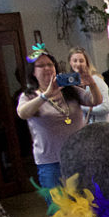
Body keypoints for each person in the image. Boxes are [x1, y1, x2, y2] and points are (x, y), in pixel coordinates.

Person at [17, 45, 101, 190]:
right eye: (41, 65)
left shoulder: (69, 90)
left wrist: (91, 83)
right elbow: (22, 113)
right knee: (60, 209)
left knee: (88, 205)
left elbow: (95, 101)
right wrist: (45, 95)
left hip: (79, 157)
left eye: (50, 64)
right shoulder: (29, 96)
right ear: (33, 72)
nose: (47, 68)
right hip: (51, 163)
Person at [66, 47, 109, 124]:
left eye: (81, 61)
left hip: (103, 127)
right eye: (75, 61)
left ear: (86, 63)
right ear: (70, 62)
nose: (78, 64)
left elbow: (105, 107)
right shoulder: (71, 83)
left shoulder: (95, 80)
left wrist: (81, 108)